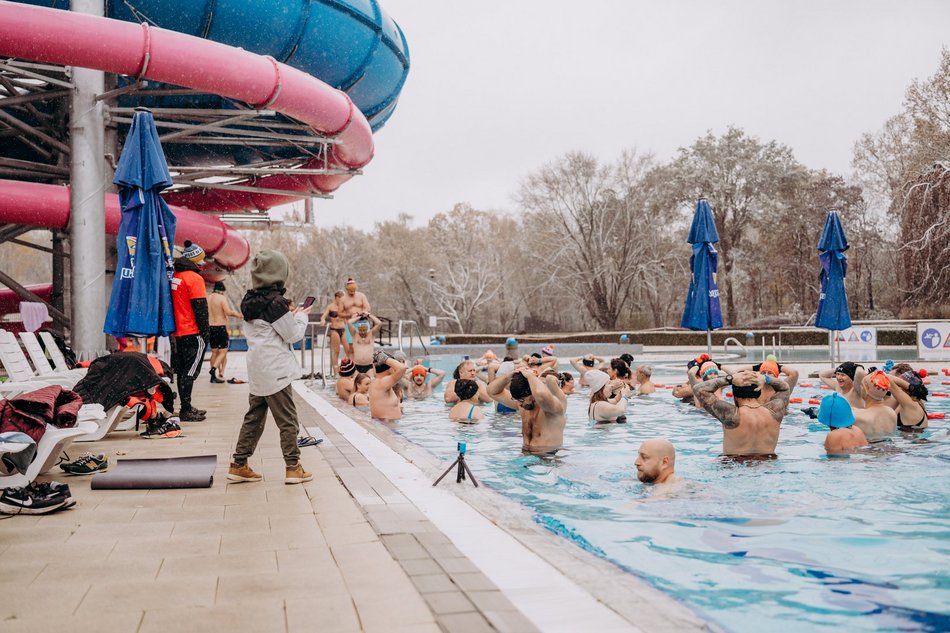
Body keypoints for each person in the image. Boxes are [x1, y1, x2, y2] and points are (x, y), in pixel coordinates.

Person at [227, 249, 313, 485]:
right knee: (288, 421)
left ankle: (239, 463)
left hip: (257, 368)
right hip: (276, 371)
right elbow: (293, 335)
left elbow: (270, 328)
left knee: (254, 418)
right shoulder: (275, 303)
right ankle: (293, 467)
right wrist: (302, 316)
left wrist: (290, 314)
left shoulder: (249, 300)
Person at [693, 369, 790, 458]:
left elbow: (698, 388)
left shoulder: (731, 415)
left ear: (734, 395)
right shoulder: (775, 412)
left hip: (735, 465)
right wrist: (766, 378)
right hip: (768, 464)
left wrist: (729, 379)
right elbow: (785, 388)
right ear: (759, 391)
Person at [171, 240, 210, 422]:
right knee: (191, 371)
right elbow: (200, 308)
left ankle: (186, 406)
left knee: (183, 370)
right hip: (193, 331)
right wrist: (205, 333)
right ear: (195, 261)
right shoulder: (195, 279)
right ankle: (186, 410)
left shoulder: (176, 275)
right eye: (201, 260)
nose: (203, 263)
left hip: (178, 331)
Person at [489, 367, 566, 454]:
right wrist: (509, 376)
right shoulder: (523, 405)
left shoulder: (553, 407)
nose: (519, 403)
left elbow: (541, 394)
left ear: (532, 393)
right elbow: (492, 391)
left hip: (549, 458)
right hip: (525, 456)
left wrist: (531, 376)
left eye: (522, 400)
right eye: (517, 399)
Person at [207, 281, 243, 384]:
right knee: (223, 351)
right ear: (222, 290)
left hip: (211, 327)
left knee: (214, 352)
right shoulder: (221, 298)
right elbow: (227, 312)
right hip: (220, 327)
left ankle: (213, 376)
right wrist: (239, 315)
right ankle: (213, 369)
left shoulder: (208, 298)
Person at [852, 370, 898, 439]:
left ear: (867, 389)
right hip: (889, 448)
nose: (860, 388)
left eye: (861, 385)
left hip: (868, 448)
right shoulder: (892, 413)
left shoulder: (858, 416)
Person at [368, 350, 406, 421]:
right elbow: (402, 368)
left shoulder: (379, 382)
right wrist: (384, 358)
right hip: (387, 426)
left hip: (387, 425)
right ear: (390, 367)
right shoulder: (382, 382)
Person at [319, 291, 348, 375]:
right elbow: (323, 316)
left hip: (344, 329)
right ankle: (335, 371)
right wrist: (323, 320)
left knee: (348, 350)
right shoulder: (331, 306)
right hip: (334, 329)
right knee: (336, 351)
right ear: (336, 297)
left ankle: (346, 368)